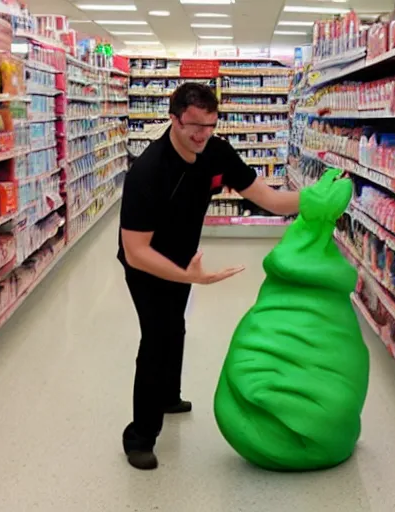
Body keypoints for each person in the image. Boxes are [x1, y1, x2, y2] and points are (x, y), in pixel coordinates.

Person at [118, 82, 300, 470]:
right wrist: (194, 278)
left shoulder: (215, 152)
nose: (202, 135)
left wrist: (317, 198)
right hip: (147, 267)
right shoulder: (148, 171)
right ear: (173, 119)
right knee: (157, 338)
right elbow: (136, 252)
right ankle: (139, 436)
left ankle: (169, 395)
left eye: (210, 125)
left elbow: (266, 197)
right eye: (194, 126)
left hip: (185, 262)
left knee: (176, 329)